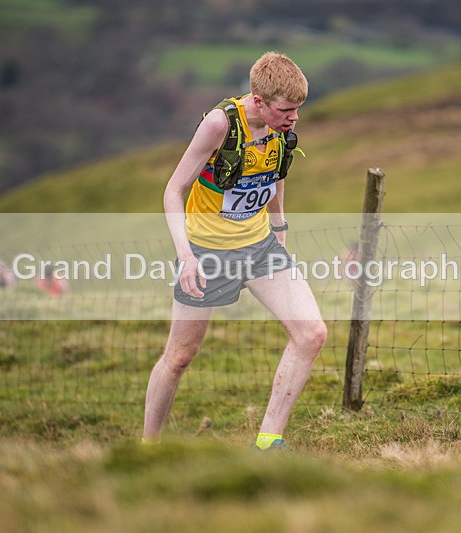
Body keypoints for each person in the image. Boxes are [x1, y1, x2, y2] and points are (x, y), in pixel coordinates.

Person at [142, 52, 327, 451]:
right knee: (179, 356)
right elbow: (173, 191)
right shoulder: (219, 125)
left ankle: (268, 440)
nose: (294, 118)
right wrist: (186, 256)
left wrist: (279, 230)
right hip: (206, 253)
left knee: (311, 333)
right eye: (286, 110)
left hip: (259, 247)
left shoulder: (281, 126)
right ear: (258, 100)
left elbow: (276, 175)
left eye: (298, 109)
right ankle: (147, 448)